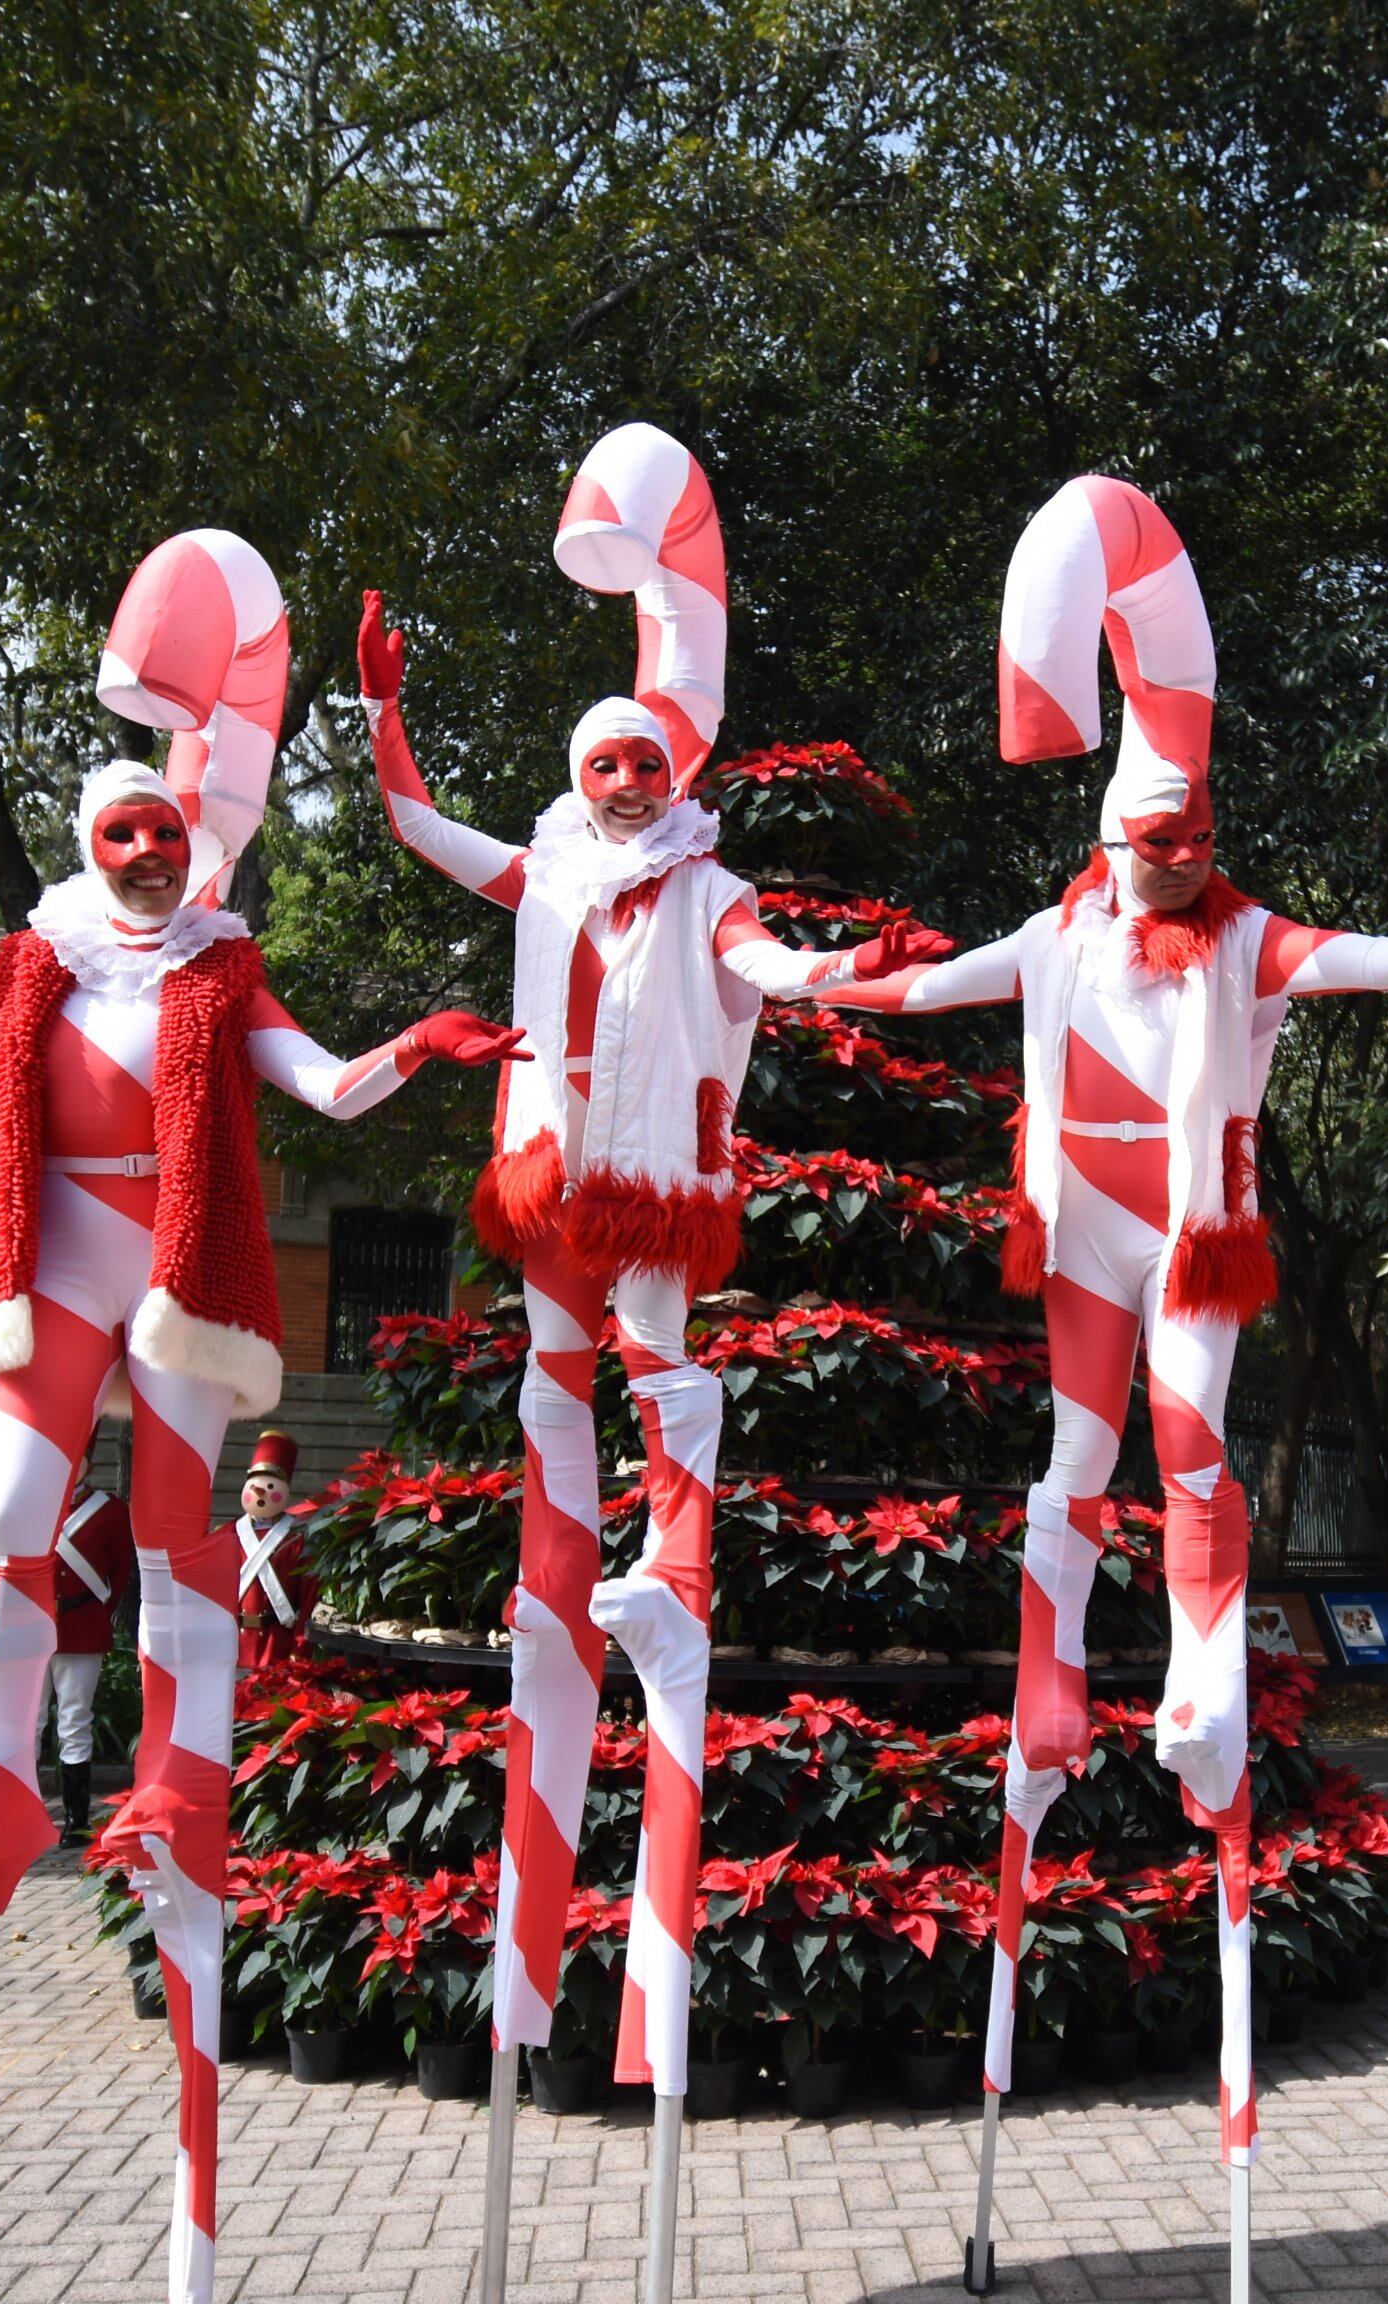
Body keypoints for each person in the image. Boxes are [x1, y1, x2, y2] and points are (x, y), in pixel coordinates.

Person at [818, 470, 1388, 2187]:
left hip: (1196, 1236)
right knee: (1076, 1451)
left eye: (1195, 839)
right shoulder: (1056, 934)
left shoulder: (1250, 939)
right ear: (1109, 843)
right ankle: (1055, 1678)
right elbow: (912, 987)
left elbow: (1387, 954)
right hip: (1082, 1232)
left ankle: (1201, 1665)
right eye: (1154, 842)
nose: (1177, 861)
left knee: (1193, 1431)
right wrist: (784, 967)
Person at [0, 521, 521, 2304]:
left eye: (164, 831)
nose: (145, 852)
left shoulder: (220, 962)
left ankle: (171, 1781)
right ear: (88, 844)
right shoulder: (28, 956)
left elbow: (326, 1087)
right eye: (120, 831)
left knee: (173, 1531)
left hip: (176, 1267)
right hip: (42, 1257)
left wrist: (421, 1050)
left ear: (193, 839)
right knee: (9, 1508)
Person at [359, 423, 952, 2134]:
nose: (620, 778)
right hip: (543, 1162)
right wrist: (386, 711)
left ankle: (668, 1544)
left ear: (668, 770)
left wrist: (853, 965)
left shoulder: (710, 885)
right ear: (578, 767)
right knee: (557, 1372)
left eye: (640, 758)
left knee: (655, 1353)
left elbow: (773, 965)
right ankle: (566, 1569)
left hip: (655, 1173)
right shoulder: (543, 861)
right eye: (600, 760)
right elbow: (415, 824)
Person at [46, 1471, 134, 1844]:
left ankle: (75, 1821)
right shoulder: (35, 1497)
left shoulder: (110, 1511)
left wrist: (95, 1611)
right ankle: (22, 1815)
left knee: (74, 1721)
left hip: (82, 1625)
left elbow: (120, 1570)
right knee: (25, 1724)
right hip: (33, 1626)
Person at [228, 1429, 311, 1660]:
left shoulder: (299, 1537)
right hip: (230, 1643)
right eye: (255, 1484)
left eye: (271, 1486)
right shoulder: (227, 1534)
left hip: (277, 1645)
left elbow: (309, 1599)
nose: (260, 1492)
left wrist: (300, 1646)